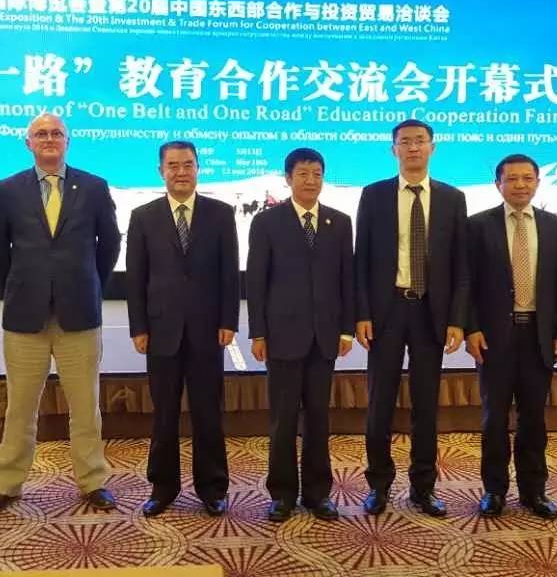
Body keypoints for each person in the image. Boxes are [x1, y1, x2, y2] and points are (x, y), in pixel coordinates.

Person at [0, 114, 121, 515]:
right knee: (20, 407)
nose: (49, 139)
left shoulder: (93, 186)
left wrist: (88, 283)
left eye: (57, 133)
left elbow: (109, 244)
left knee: (86, 406)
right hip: (26, 317)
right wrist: (22, 286)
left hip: (80, 315)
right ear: (28, 143)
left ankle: (93, 481)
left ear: (67, 141)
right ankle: (8, 484)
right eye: (41, 133)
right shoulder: (8, 189)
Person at [354, 119, 468, 518]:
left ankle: (424, 487)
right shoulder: (374, 195)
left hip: (430, 313)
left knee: (425, 404)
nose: (413, 147)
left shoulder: (453, 198)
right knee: (380, 403)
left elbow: (460, 265)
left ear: (433, 147)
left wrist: (456, 319)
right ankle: (378, 485)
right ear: (394, 150)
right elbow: (362, 260)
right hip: (386, 311)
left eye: (420, 141)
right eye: (405, 142)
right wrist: (362, 313)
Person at [126, 141, 240, 517]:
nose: (181, 172)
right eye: (173, 165)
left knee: (208, 413)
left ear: (198, 169)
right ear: (161, 171)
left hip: (208, 330)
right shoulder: (143, 216)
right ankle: (162, 487)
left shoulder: (220, 214)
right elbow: (136, 278)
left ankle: (212, 488)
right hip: (161, 330)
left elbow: (229, 273)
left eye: (188, 164)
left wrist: (229, 320)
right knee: (164, 415)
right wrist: (139, 326)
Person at [464, 154, 557, 519]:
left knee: (533, 419)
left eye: (527, 178)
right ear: (498, 184)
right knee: (494, 418)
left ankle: (534, 491)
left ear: (538, 183)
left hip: (539, 336)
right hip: (494, 336)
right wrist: (471, 328)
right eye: (511, 179)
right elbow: (467, 283)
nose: (520, 185)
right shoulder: (477, 226)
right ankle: (494, 490)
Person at [247, 148, 355, 522]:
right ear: (288, 178)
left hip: (325, 336)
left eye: (317, 173)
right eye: (303, 173)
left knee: (319, 419)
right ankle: (281, 494)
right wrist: (258, 333)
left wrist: (346, 329)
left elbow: (346, 280)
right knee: (283, 420)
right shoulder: (267, 222)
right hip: (282, 336)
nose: (311, 180)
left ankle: (317, 494)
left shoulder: (339, 222)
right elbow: (256, 282)